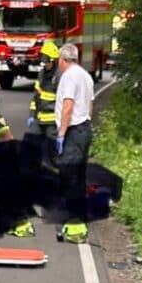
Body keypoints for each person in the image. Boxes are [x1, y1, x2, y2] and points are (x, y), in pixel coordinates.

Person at [54, 41, 96, 243]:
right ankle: (80, 213)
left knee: (68, 173)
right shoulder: (85, 75)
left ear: (62, 60)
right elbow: (90, 105)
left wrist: (62, 133)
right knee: (79, 173)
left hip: (73, 130)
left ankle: (73, 220)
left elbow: (68, 105)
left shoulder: (69, 77)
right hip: (84, 129)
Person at [28, 39, 61, 167]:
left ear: (53, 60)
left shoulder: (60, 76)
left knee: (52, 155)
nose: (44, 63)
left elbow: (64, 101)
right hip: (38, 118)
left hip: (52, 122)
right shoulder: (41, 73)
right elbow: (36, 96)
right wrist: (31, 114)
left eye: (46, 60)